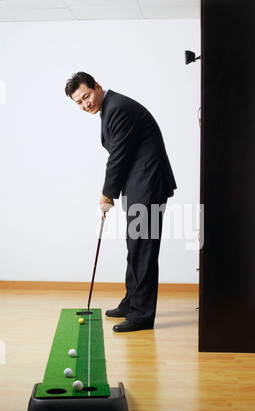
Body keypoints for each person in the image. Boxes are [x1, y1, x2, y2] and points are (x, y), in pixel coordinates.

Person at [65, 72, 177, 332]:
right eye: (79, 103)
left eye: (87, 96)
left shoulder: (118, 109)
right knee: (136, 246)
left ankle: (141, 315)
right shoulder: (110, 108)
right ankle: (131, 302)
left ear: (98, 87)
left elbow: (118, 156)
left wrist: (107, 195)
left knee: (143, 249)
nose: (86, 104)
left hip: (148, 182)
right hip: (140, 183)